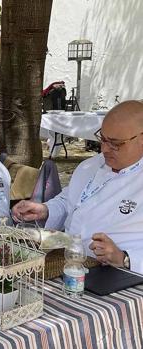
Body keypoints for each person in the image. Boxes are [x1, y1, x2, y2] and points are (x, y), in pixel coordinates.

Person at [12, 101, 143, 274]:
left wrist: (125, 258)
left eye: (115, 143)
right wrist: (45, 209)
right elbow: (71, 200)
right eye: (102, 139)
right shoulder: (89, 166)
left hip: (122, 277)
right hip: (70, 264)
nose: (104, 149)